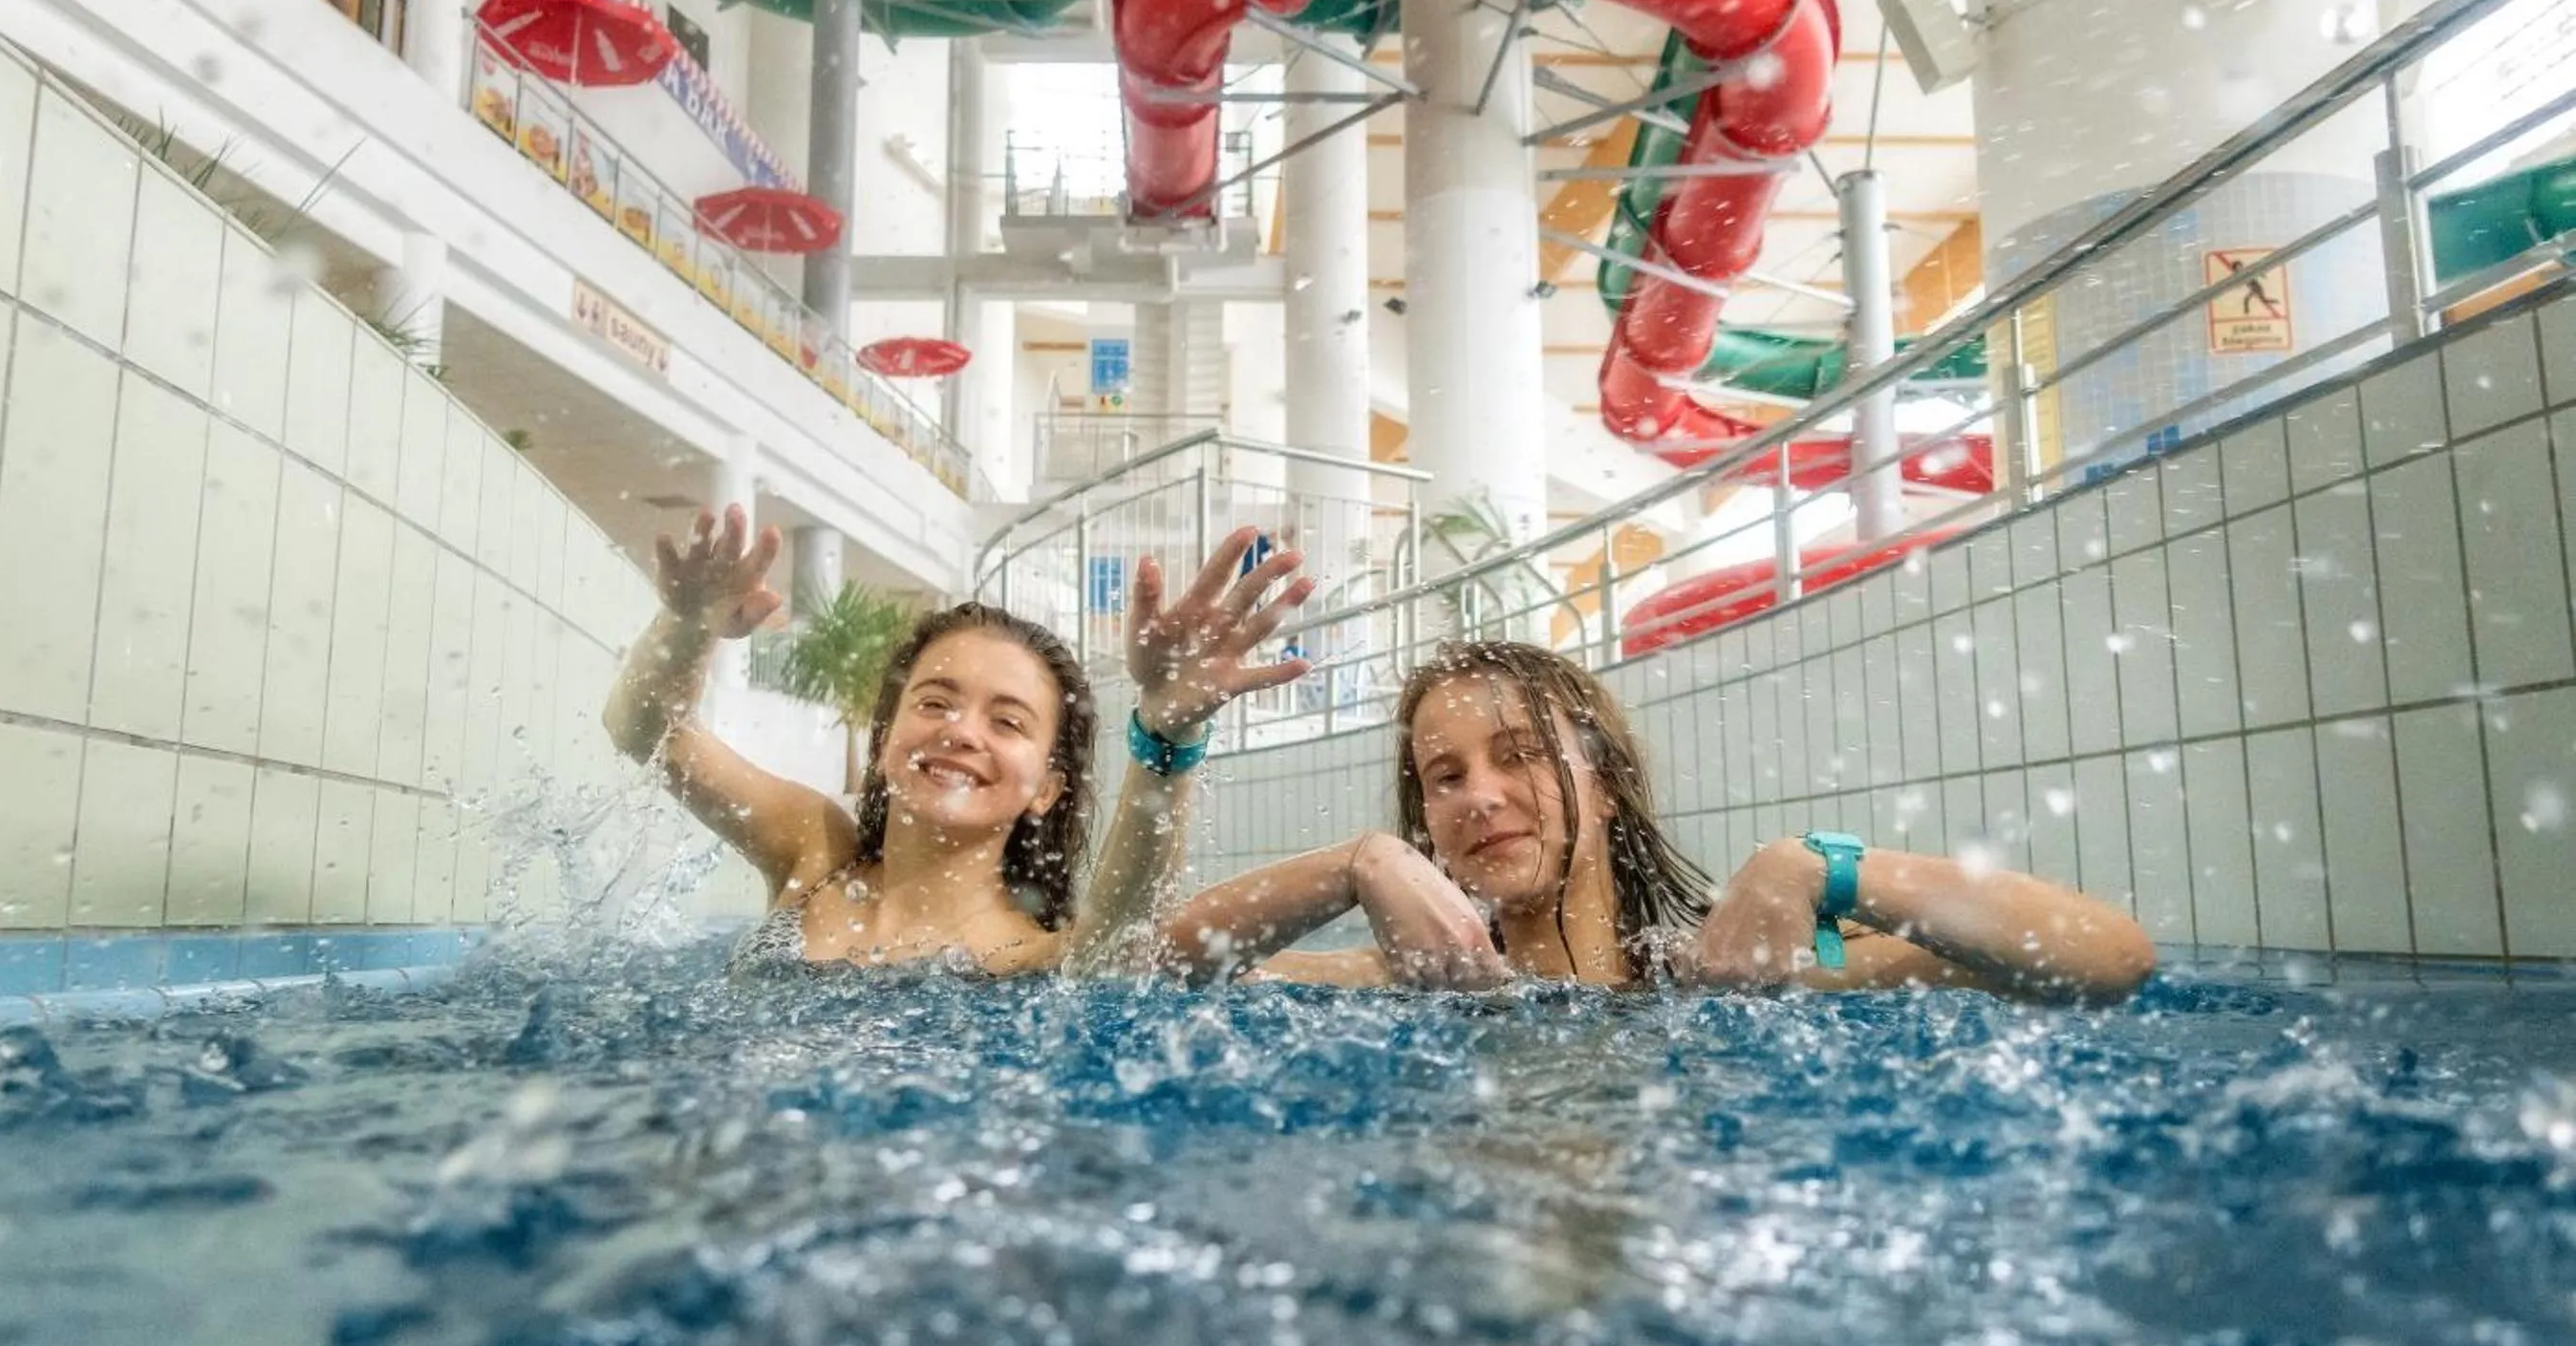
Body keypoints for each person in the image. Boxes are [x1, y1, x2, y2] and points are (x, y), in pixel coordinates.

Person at [1143, 640, 2157, 1003]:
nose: (1478, 795)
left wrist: (1823, 869)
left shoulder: (1727, 970)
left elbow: (2108, 960)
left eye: (1518, 754)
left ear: (1606, 784)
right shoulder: (1405, 981)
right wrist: (1352, 863)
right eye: (1442, 777)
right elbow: (1155, 970)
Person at [602, 507, 1314, 974]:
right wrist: (687, 624)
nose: (960, 730)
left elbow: (1127, 937)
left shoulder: (1032, 960)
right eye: (935, 702)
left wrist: (1169, 729)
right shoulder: (813, 852)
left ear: (1047, 788)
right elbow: (644, 731)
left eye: (1007, 721)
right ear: (887, 739)